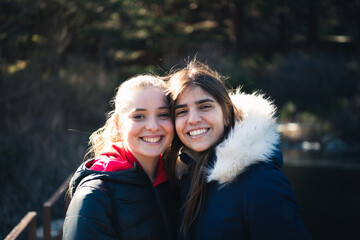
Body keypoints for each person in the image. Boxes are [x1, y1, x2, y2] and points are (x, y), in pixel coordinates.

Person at [165, 60, 311, 240]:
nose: (193, 119)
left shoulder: (261, 181)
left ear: (226, 115)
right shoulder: (184, 178)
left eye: (205, 107)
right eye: (182, 112)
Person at [63, 75, 179, 240]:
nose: (153, 126)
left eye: (163, 115)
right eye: (138, 116)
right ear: (118, 123)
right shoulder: (95, 194)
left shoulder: (176, 179)